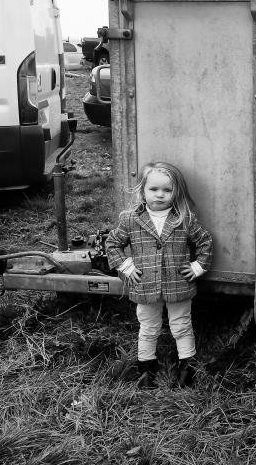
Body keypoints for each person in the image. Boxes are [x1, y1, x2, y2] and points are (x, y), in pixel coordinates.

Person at [106, 161, 213, 388]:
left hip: (178, 284)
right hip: (145, 284)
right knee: (148, 326)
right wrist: (126, 267)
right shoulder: (131, 218)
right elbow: (113, 243)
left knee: (182, 325)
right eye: (154, 189)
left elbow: (205, 242)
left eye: (167, 190)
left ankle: (187, 368)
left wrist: (197, 267)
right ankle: (146, 370)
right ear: (143, 190)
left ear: (176, 192)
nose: (160, 195)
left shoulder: (184, 217)